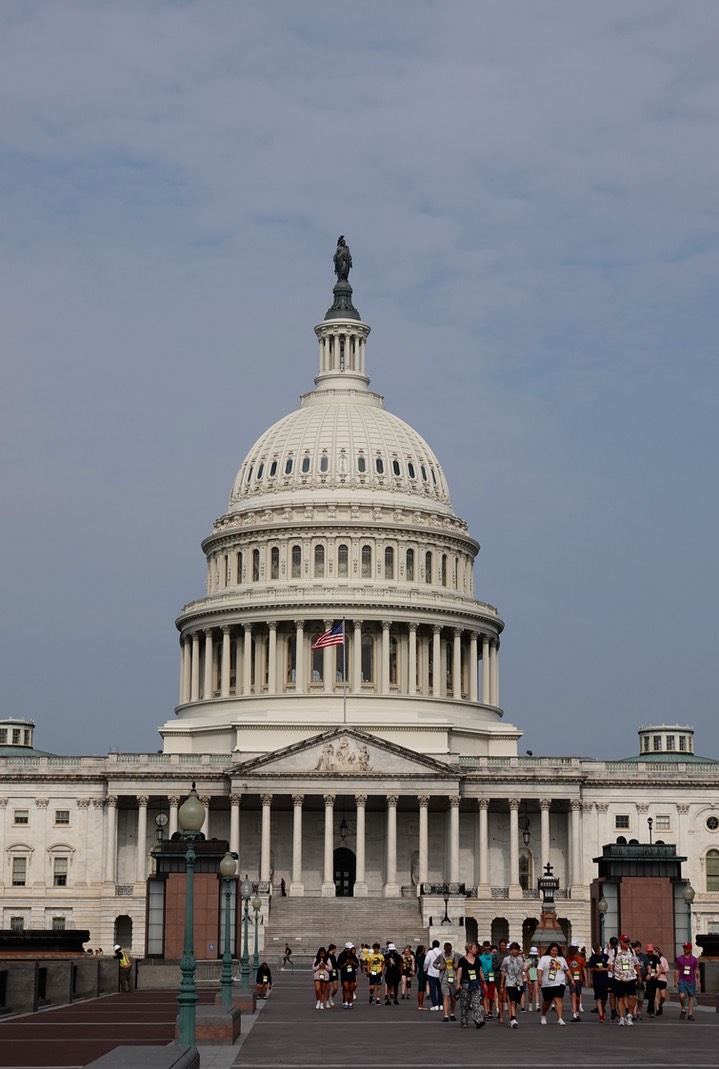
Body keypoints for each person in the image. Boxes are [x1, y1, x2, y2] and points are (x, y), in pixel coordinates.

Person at [612, 934, 642, 1026]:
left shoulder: (632, 952)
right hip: (619, 978)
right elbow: (610, 963)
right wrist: (611, 968)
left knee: (633, 997)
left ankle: (629, 1015)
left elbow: (636, 964)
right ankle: (621, 1017)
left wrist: (639, 975)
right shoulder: (616, 951)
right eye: (626, 942)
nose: (628, 943)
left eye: (628, 941)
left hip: (631, 977)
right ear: (621, 942)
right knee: (620, 998)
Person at [537, 942, 569, 1025]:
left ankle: (560, 1018)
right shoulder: (544, 958)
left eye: (556, 951)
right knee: (547, 1002)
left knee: (558, 999)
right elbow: (540, 970)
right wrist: (539, 979)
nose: (554, 952)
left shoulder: (561, 959)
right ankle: (543, 1015)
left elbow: (567, 970)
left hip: (560, 983)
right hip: (547, 984)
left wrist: (572, 980)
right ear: (550, 950)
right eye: (553, 950)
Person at [456, 941, 485, 1029]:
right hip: (465, 983)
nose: (476, 949)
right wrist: (458, 983)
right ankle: (464, 1021)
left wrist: (484, 982)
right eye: (474, 948)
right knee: (464, 1003)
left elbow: (480, 971)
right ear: (469, 949)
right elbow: (459, 972)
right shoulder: (462, 960)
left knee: (476, 1003)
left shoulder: (478, 960)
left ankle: (479, 1020)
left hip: (475, 983)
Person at [500, 941, 526, 1028]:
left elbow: (522, 970)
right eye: (514, 949)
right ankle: (513, 1019)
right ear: (510, 950)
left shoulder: (520, 959)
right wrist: (501, 985)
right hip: (510, 983)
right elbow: (503, 972)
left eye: (517, 949)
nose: (515, 951)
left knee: (515, 1001)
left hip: (519, 983)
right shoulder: (506, 959)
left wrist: (524, 980)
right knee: (512, 1001)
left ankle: (512, 1017)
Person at [674, 941, 700, 1020]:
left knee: (691, 997)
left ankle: (690, 1014)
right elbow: (677, 970)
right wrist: (675, 981)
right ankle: (683, 1008)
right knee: (682, 995)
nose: (685, 949)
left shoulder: (694, 960)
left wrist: (698, 981)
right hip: (682, 980)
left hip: (691, 980)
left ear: (690, 949)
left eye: (686, 948)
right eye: (684, 948)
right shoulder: (680, 959)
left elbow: (697, 970)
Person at [437, 941, 460, 1021]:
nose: (448, 953)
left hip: (454, 978)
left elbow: (464, 960)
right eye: (446, 951)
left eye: (449, 951)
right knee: (446, 996)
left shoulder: (456, 955)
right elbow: (434, 964)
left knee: (453, 997)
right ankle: (446, 1015)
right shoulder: (441, 955)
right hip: (444, 978)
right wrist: (439, 967)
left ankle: (452, 1013)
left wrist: (458, 965)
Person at [566, 942, 588, 1022]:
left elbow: (584, 970)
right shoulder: (568, 959)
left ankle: (577, 1013)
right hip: (571, 980)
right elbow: (566, 969)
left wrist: (586, 980)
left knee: (578, 997)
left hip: (579, 979)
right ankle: (574, 1014)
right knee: (573, 995)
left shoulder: (581, 959)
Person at [588, 942, 610, 1022]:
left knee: (604, 998)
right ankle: (601, 1016)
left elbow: (609, 968)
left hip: (604, 979)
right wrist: (595, 969)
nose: (597, 951)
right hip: (596, 980)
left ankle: (602, 1008)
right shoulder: (592, 958)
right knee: (598, 998)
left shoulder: (606, 956)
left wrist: (603, 969)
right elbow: (591, 970)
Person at [337, 942, 360, 1007]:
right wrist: (346, 963)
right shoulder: (341, 955)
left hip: (351, 973)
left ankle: (350, 1002)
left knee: (351, 989)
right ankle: (346, 1001)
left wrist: (352, 962)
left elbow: (357, 964)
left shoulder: (353, 955)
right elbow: (340, 966)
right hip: (345, 973)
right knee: (346, 988)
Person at [424, 939, 443, 1011]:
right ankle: (441, 1004)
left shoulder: (430, 952)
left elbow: (426, 962)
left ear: (432, 945)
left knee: (432, 989)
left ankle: (435, 1004)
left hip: (431, 973)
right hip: (440, 972)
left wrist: (425, 969)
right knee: (440, 989)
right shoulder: (441, 952)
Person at [526, 946, 540, 1011]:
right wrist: (531, 964)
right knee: (530, 991)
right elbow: (526, 968)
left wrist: (538, 963)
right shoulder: (527, 960)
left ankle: (537, 1005)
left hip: (536, 976)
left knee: (536, 991)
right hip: (530, 976)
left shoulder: (539, 959)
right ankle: (530, 1004)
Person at [415, 944, 428, 1010]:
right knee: (421, 989)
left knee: (421, 989)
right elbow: (423, 965)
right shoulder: (420, 957)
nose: (424, 951)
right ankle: (420, 1005)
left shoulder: (419, 956)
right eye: (423, 950)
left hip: (421, 973)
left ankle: (420, 1004)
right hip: (422, 973)